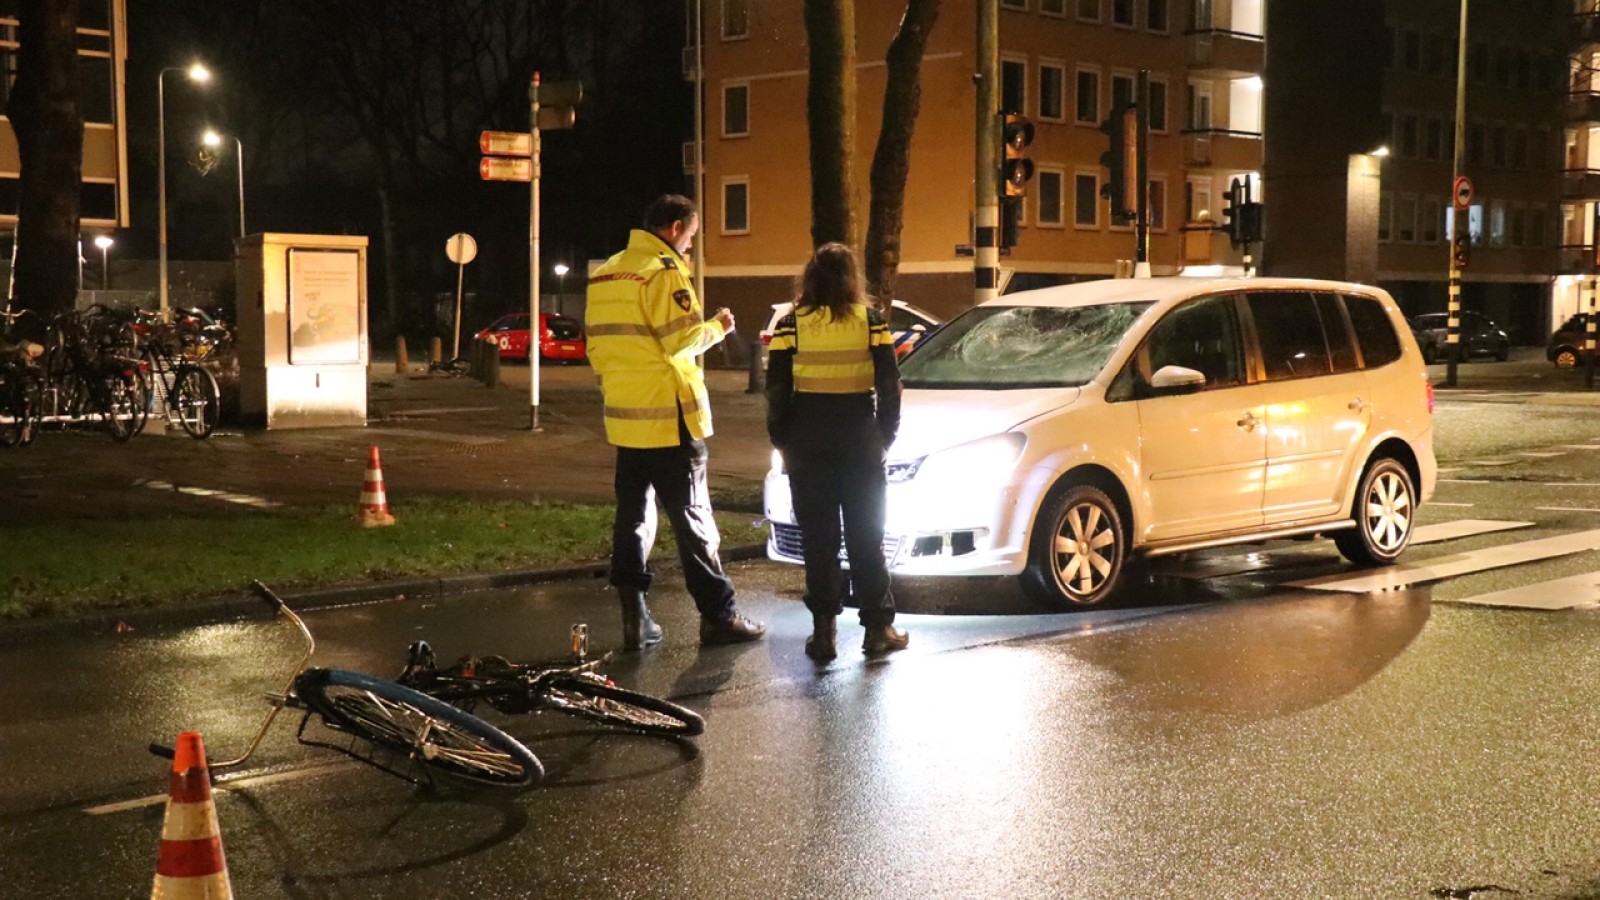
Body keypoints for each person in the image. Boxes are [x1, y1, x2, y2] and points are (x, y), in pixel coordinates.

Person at [585, 194, 766, 650]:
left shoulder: (608, 272)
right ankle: (719, 616)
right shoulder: (663, 272)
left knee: (632, 518)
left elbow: (598, 346)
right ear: (672, 227)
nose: (691, 245)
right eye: (690, 234)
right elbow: (680, 341)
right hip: (670, 417)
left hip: (627, 419)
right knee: (694, 521)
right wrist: (718, 326)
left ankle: (635, 618)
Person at [765, 243, 905, 660]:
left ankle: (824, 633)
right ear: (851, 278)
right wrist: (884, 435)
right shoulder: (870, 321)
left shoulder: (792, 325)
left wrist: (784, 439)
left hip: (808, 442)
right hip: (859, 440)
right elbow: (888, 385)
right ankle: (878, 630)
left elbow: (776, 390)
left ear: (810, 277)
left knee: (819, 541)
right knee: (866, 538)